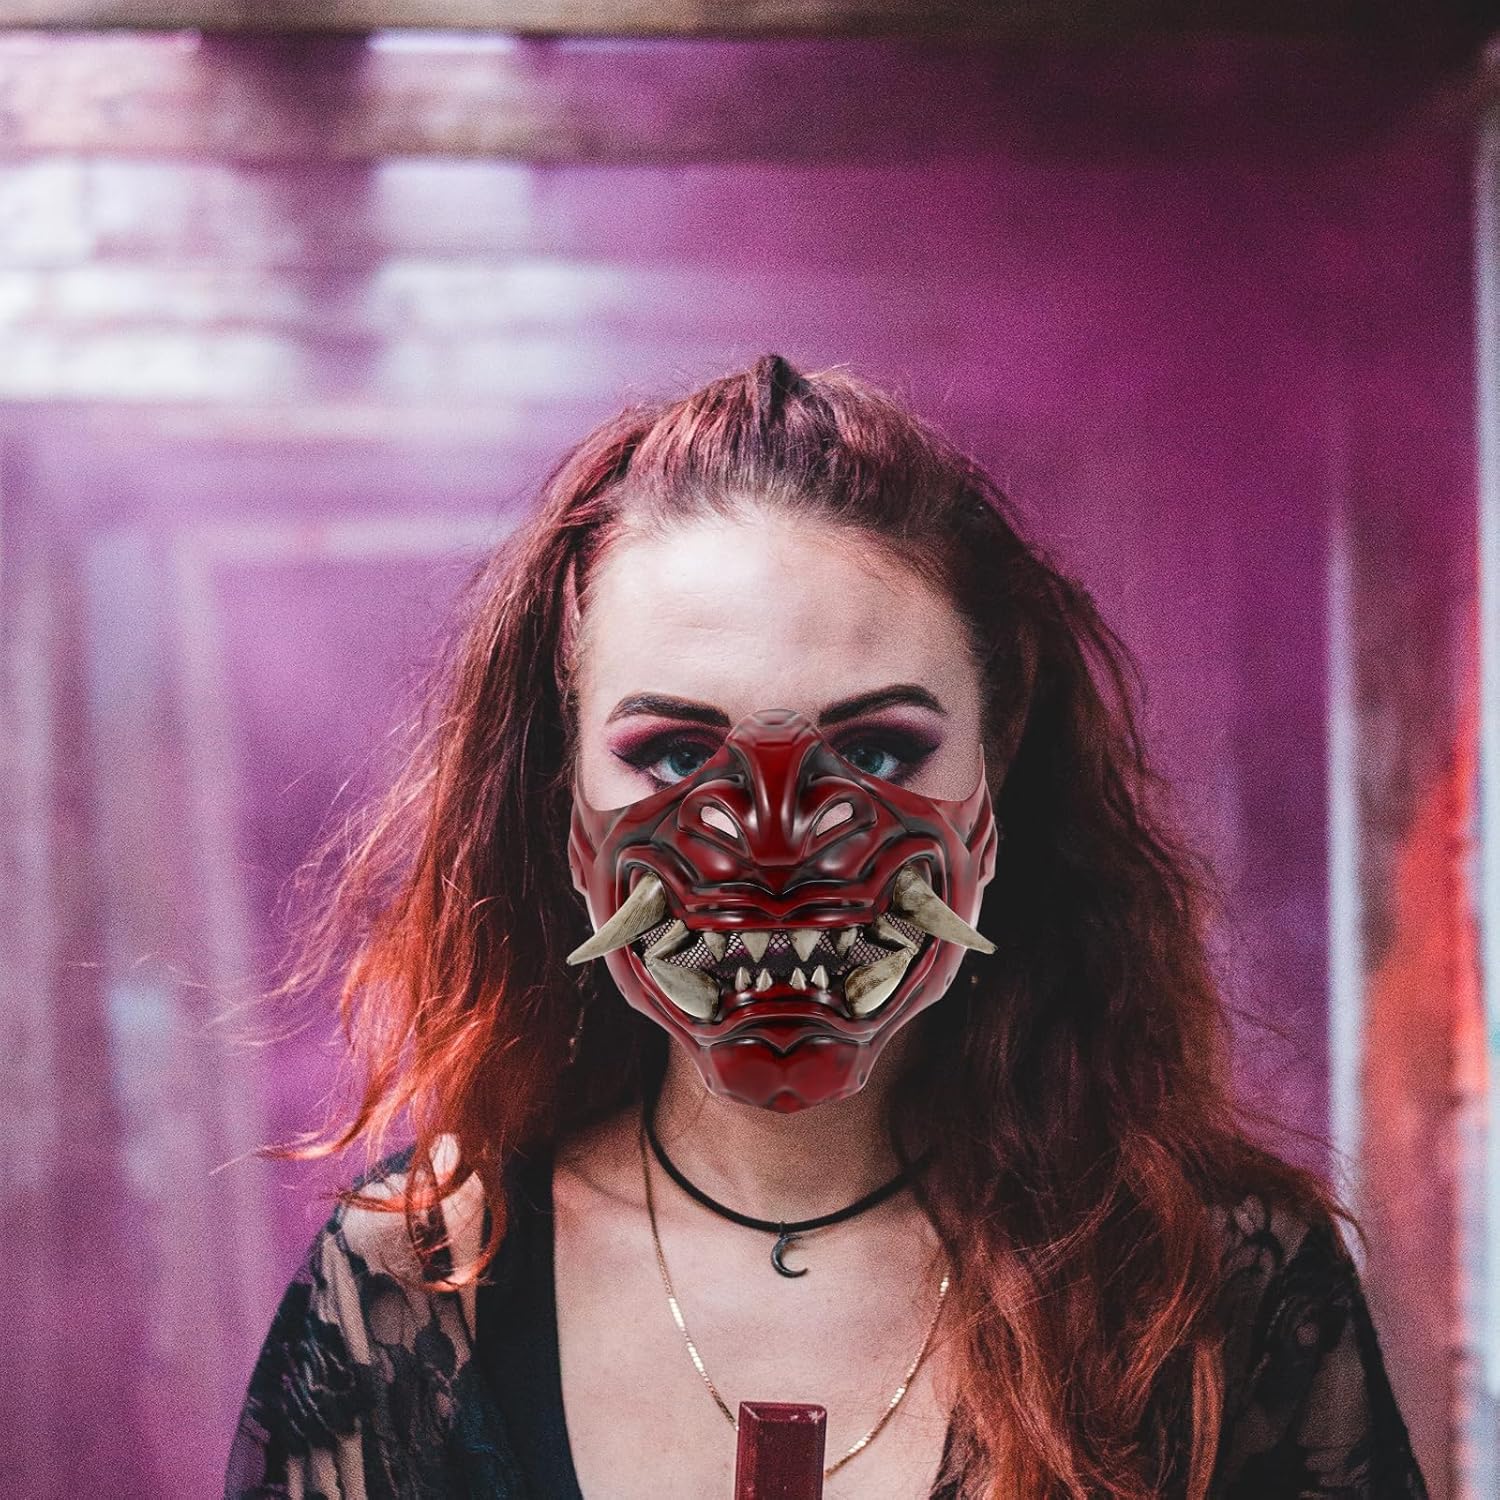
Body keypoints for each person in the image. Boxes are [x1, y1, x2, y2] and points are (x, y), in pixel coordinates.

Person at [225, 356, 1429, 1500]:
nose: (777, 856)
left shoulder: (1213, 1284)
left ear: (997, 777)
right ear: (565, 802)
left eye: (878, 750)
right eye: (676, 754)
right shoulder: (417, 1283)